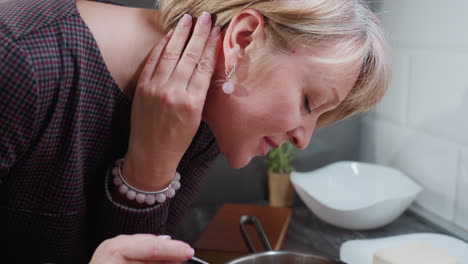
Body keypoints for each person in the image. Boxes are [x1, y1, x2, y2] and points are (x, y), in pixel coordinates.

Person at [0, 0, 390, 262]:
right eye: (309, 103)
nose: (303, 138)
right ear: (242, 41)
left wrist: (150, 169)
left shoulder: (209, 113)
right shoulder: (16, 57)